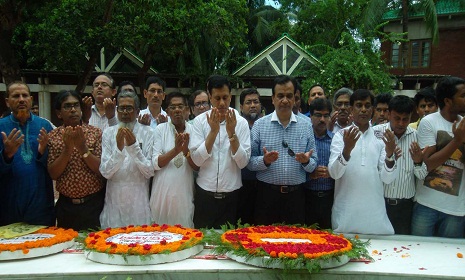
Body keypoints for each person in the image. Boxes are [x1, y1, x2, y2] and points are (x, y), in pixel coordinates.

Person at [248, 75, 317, 225]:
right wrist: (264, 161)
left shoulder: (306, 126)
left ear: (294, 99)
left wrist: (306, 162)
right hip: (266, 196)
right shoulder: (259, 125)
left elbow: (314, 164)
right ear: (273, 98)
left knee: (295, 243)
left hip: (296, 197)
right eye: (280, 96)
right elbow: (249, 162)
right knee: (263, 243)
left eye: (289, 96)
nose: (284, 100)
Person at [329, 89, 399, 234]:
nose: (363, 110)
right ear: (351, 109)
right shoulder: (340, 136)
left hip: (375, 219)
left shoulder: (381, 138)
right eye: (359, 105)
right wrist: (347, 150)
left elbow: (387, 178)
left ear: (372, 110)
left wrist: (390, 154)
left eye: (367, 106)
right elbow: (334, 173)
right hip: (345, 217)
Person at [189, 75, 251, 228]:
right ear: (210, 97)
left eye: (225, 97)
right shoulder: (199, 121)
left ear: (230, 96)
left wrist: (232, 134)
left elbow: (243, 163)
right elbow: (196, 160)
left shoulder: (241, 122)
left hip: (232, 196)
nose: (222, 103)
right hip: (205, 195)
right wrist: (213, 132)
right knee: (203, 244)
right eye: (217, 98)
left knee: (228, 246)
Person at [412, 76, 465, 238]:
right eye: (463, 95)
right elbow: (428, 163)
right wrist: (457, 140)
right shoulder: (429, 122)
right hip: (426, 205)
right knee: (418, 253)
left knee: (448, 259)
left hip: (456, 209)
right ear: (448, 101)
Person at [47, 90, 104, 230]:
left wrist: (82, 148)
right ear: (59, 113)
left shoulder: (94, 133)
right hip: (66, 206)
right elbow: (53, 174)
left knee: (93, 246)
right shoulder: (53, 136)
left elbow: (101, 170)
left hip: (94, 204)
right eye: (67, 106)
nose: (73, 110)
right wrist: (67, 149)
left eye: (76, 105)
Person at [0, 81, 55, 226]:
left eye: (25, 95)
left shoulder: (44, 125)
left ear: (31, 99)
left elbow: (55, 165)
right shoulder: (1, 127)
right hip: (9, 204)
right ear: (7, 102)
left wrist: (43, 152)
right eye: (16, 96)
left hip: (40, 204)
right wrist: (6, 155)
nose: (21, 99)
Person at [372, 95, 427, 234]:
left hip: (405, 207)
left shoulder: (417, 137)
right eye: (397, 118)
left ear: (411, 117)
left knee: (402, 248)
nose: (401, 123)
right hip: (379, 204)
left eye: (405, 119)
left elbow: (421, 176)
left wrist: (418, 161)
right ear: (389, 114)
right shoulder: (375, 133)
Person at [99, 90, 154, 228]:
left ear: (137, 111)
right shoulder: (108, 133)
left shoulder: (148, 133)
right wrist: (118, 149)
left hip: (139, 202)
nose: (125, 112)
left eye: (129, 108)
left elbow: (149, 171)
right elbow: (105, 172)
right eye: (121, 108)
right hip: (114, 203)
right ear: (117, 111)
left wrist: (133, 147)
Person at [151, 92, 198, 227]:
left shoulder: (194, 130)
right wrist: (175, 151)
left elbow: (197, 166)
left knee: (184, 233)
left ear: (187, 110)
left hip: (184, 193)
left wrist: (186, 152)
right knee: (159, 236)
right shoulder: (160, 130)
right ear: (167, 112)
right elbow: (155, 163)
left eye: (180, 106)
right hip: (161, 194)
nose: (177, 110)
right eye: (173, 107)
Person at [306, 98, 335, 229]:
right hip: (307, 197)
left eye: (326, 115)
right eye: (318, 115)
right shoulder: (304, 139)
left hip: (330, 198)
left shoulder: (336, 140)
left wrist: (332, 172)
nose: (322, 119)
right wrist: (309, 175)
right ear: (310, 116)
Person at [237, 88, 262, 224]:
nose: (253, 105)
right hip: (241, 184)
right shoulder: (235, 126)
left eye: (256, 102)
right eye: (248, 102)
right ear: (241, 107)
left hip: (263, 185)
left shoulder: (267, 126)